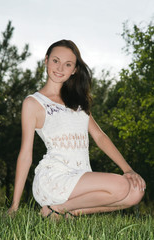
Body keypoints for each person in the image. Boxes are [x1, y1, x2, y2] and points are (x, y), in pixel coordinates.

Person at [8, 39, 146, 218]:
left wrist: (127, 169)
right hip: (55, 177)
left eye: (68, 64)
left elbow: (100, 137)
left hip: (81, 176)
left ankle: (61, 211)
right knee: (121, 186)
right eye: (55, 61)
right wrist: (15, 205)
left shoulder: (77, 102)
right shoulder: (33, 103)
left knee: (136, 192)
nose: (59, 68)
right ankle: (56, 209)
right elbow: (26, 155)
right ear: (46, 60)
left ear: (74, 70)